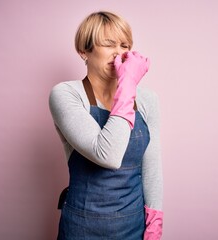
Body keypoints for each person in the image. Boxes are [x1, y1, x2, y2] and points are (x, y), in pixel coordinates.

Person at [49, 11, 163, 239]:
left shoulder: (147, 99)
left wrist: (154, 224)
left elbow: (151, 168)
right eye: (109, 44)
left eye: (124, 45)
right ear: (84, 51)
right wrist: (128, 84)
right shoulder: (66, 94)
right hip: (82, 228)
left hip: (134, 226)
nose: (119, 53)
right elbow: (108, 154)